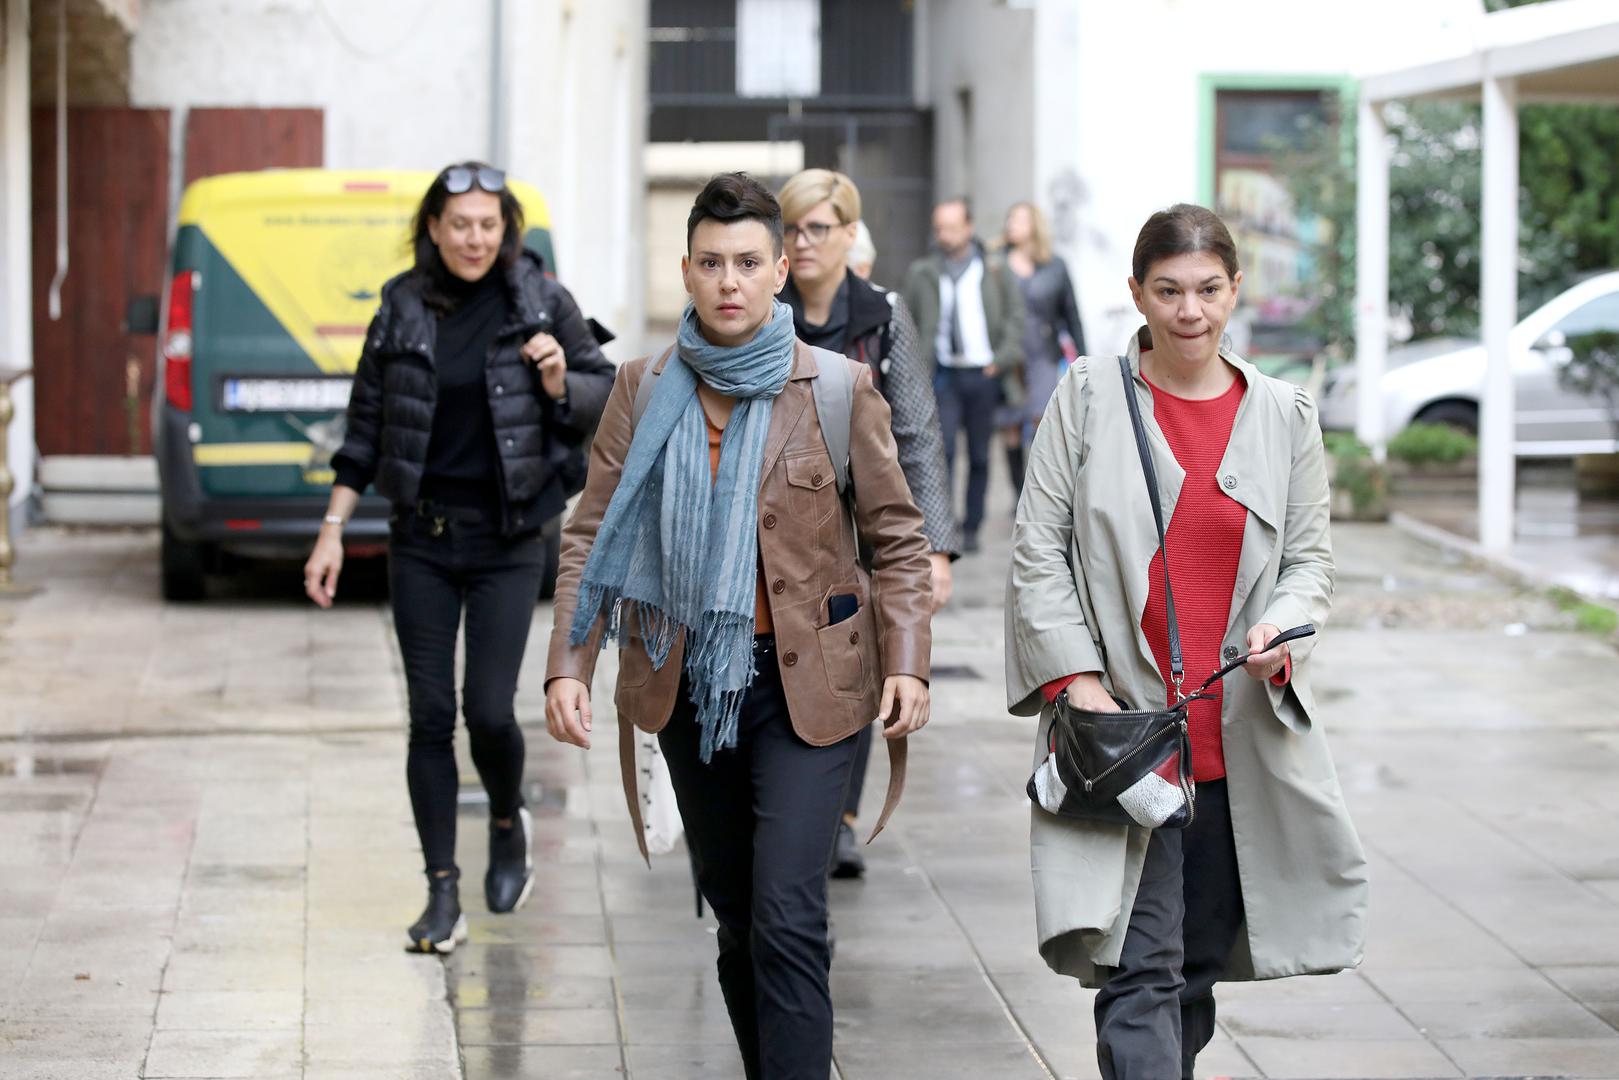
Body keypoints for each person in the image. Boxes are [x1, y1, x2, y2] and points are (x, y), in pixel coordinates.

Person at [544, 172, 933, 1080]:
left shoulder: (837, 388)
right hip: (686, 685)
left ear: (783, 267)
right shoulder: (639, 390)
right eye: (711, 262)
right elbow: (591, 535)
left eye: (748, 262)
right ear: (686, 270)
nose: (729, 281)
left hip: (813, 689)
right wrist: (570, 662)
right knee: (736, 915)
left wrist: (907, 660)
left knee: (789, 913)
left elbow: (897, 536)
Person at [1003, 204, 1367, 1079]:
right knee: (1139, 970)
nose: (1189, 311)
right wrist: (1073, 680)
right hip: (1123, 733)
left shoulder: (1284, 414)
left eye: (1207, 289)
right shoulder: (1088, 396)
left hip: (1233, 740)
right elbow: (1036, 546)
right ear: (1136, 294)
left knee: (1192, 971)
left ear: (1235, 289)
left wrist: (1285, 625)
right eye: (1167, 291)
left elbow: (1310, 559)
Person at [304, 161, 616, 954]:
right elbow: (366, 425)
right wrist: (334, 529)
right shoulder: (402, 305)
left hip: (509, 540)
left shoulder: (541, 300)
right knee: (430, 717)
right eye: (459, 224)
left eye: (488, 224)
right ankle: (441, 890)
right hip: (422, 538)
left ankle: (508, 823)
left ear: (504, 229)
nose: (474, 238)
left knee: (486, 710)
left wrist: (555, 377)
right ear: (433, 230)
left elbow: (606, 392)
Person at [775, 167, 958, 879]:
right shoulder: (767, 310)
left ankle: (841, 817)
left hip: (864, 520)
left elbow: (915, 430)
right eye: (791, 229)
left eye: (818, 228)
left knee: (858, 662)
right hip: (788, 519)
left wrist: (933, 548)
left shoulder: (881, 313)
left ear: (851, 235)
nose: (803, 242)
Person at [903, 197, 1025, 553]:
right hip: (943, 375)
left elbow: (1016, 318)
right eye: (940, 228)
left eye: (952, 227)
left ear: (969, 228)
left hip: (984, 374)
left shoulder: (994, 269)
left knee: (980, 454)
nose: (945, 235)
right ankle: (944, 525)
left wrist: (1001, 359)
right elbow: (907, 321)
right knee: (942, 453)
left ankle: (972, 525)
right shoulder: (923, 272)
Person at [1001, 200, 1085, 495]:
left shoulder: (1055, 265)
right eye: (1010, 219)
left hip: (1042, 353)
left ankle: (1039, 493)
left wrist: (1082, 359)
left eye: (1019, 219)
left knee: (1041, 422)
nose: (1012, 224)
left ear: (1035, 225)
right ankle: (1018, 492)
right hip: (1007, 355)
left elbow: (1071, 313)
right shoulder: (995, 262)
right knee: (1009, 425)